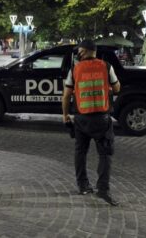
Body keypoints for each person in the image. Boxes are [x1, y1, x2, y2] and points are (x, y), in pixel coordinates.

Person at [62, 39, 121, 206]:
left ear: (86, 51)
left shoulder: (75, 69)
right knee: (105, 154)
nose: (78, 54)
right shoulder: (106, 66)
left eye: (80, 51)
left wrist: (65, 115)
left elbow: (66, 95)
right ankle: (103, 189)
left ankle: (83, 185)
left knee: (81, 152)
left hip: (81, 119)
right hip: (102, 119)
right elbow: (117, 89)